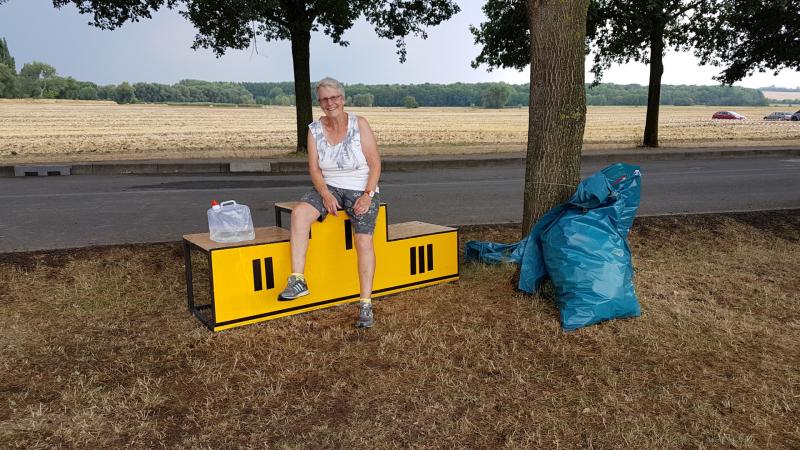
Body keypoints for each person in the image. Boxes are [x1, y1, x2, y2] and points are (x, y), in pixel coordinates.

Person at [279, 77, 382, 329]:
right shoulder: (314, 129)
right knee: (299, 213)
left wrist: (367, 195)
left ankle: (365, 304)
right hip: (330, 186)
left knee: (363, 241)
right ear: (320, 102)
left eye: (334, 97)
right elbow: (314, 169)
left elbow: (375, 164)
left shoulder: (359, 124)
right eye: (324, 99)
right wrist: (325, 194)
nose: (330, 103)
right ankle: (298, 280)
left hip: (361, 187)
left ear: (342, 99)